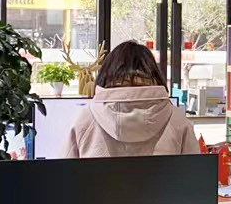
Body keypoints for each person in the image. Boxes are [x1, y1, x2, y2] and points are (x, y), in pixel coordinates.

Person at [61, 41, 200, 158]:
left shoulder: (86, 118)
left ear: (106, 73)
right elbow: (194, 176)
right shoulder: (177, 120)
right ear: (155, 73)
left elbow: (64, 174)